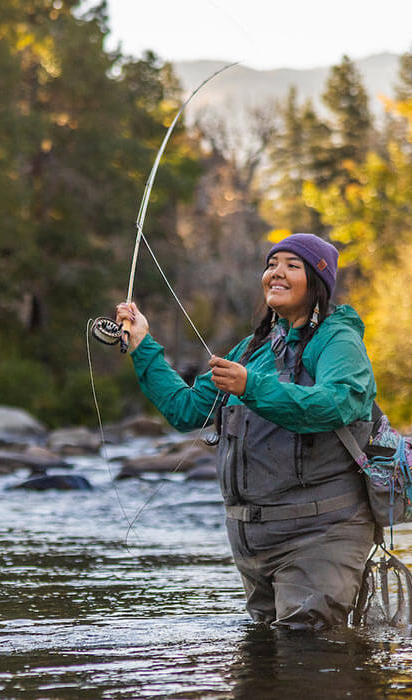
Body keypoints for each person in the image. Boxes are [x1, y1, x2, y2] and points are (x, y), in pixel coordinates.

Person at [114, 232, 379, 631]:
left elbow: (338, 403)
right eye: (273, 264)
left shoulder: (338, 341)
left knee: (307, 651)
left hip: (322, 534)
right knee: (266, 659)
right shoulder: (250, 350)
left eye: (293, 266)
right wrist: (142, 346)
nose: (277, 273)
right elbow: (186, 410)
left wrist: (250, 387)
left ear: (318, 283)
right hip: (253, 543)